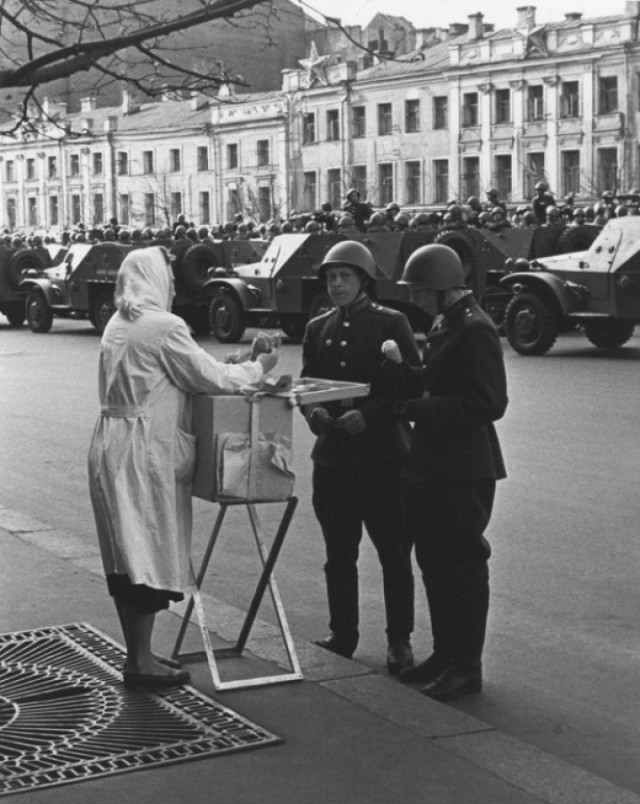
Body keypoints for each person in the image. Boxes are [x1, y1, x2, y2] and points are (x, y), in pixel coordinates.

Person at [87, 247, 278, 691]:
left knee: (126, 555)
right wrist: (260, 366)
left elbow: (183, 372)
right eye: (168, 276)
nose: (173, 283)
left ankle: (138, 653)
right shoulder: (163, 326)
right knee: (147, 551)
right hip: (144, 452)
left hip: (114, 444)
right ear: (155, 279)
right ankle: (140, 663)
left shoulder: (120, 322)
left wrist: (234, 364)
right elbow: (209, 379)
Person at [384, 243, 508, 701]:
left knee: (461, 568)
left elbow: (489, 402)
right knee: (435, 563)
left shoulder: (476, 329)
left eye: (419, 290)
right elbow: (440, 381)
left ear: (441, 288)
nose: (414, 299)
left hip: (464, 467)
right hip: (435, 465)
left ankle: (465, 666)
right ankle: (445, 654)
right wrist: (406, 377)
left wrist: (423, 408)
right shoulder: (446, 322)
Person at [301, 240, 420, 674]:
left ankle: (399, 642)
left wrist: (368, 417)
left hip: (384, 459)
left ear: (364, 280)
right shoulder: (318, 328)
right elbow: (308, 384)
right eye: (331, 278)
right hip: (333, 461)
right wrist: (312, 411)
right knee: (338, 554)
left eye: (345, 277)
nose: (336, 285)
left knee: (393, 554)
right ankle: (343, 634)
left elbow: (409, 386)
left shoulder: (392, 323)